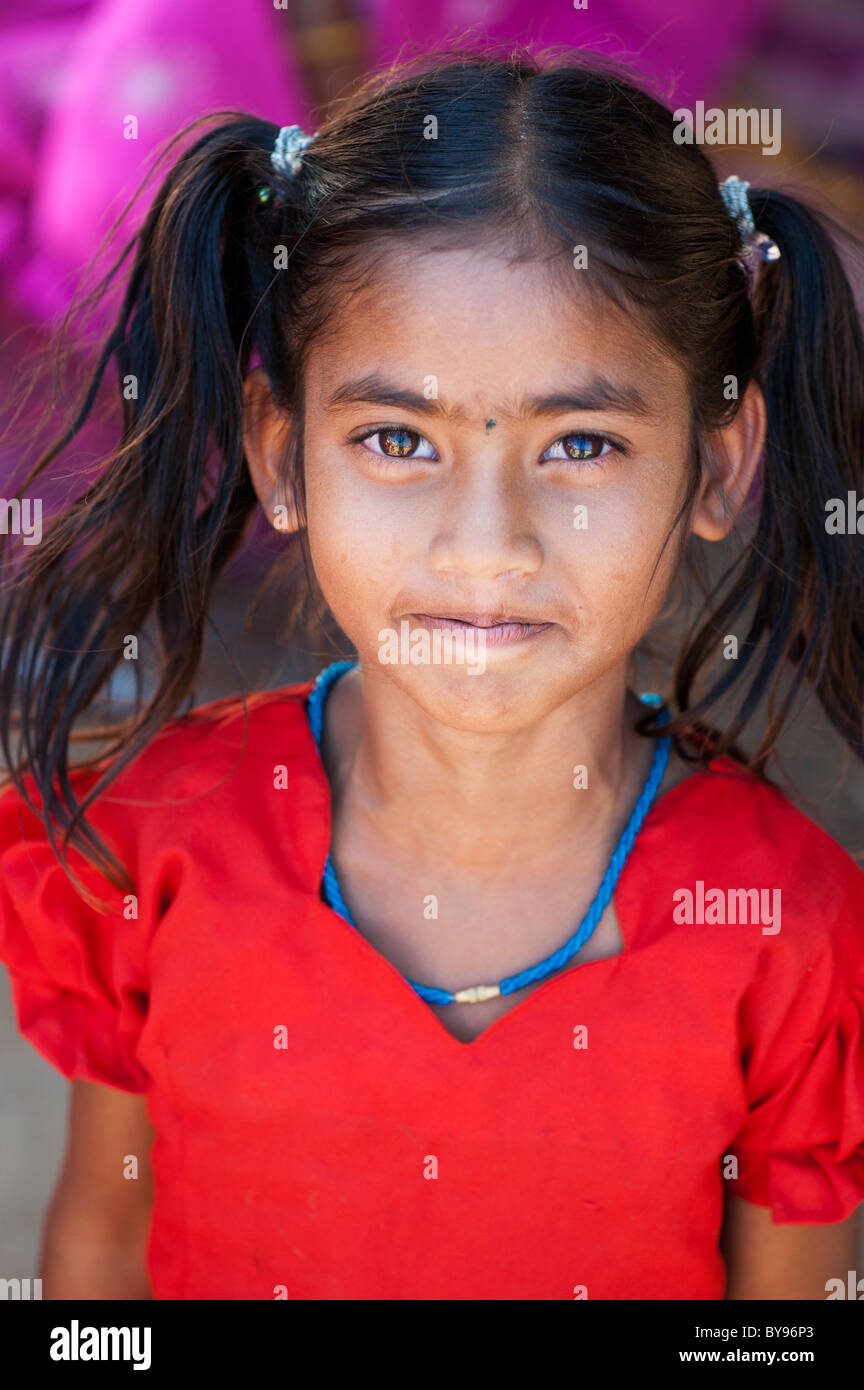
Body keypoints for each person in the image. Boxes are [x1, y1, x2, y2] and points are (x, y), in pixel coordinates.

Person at [1, 44, 863, 1301]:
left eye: (581, 442)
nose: (487, 543)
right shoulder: (152, 843)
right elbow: (100, 1257)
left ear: (721, 464)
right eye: (399, 438)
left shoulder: (786, 928)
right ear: (283, 459)